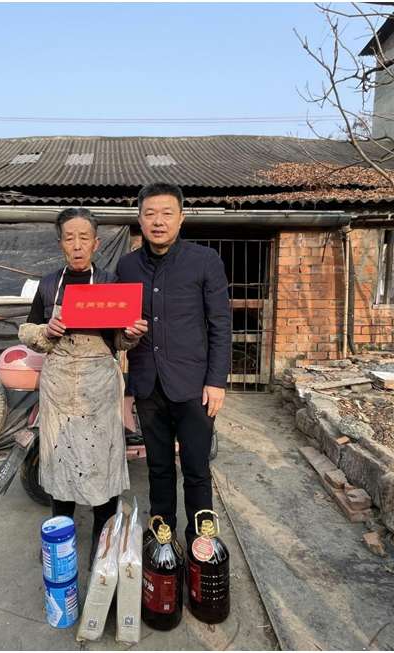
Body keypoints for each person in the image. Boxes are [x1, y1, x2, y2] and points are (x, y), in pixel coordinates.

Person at [19, 207, 148, 560]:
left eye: (84, 238)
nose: (77, 245)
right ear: (60, 242)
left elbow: (119, 340)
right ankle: (61, 540)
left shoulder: (111, 284)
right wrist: (46, 331)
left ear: (96, 243)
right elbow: (26, 330)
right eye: (69, 238)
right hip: (59, 385)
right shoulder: (49, 284)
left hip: (99, 385)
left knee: (101, 461)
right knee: (60, 458)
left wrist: (131, 333)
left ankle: (101, 544)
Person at [117, 182, 231, 546]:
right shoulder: (127, 266)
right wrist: (125, 334)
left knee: (196, 469)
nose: (158, 221)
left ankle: (200, 542)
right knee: (159, 467)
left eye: (167, 213)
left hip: (194, 385)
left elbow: (220, 324)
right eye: (150, 214)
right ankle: (162, 538)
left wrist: (217, 381)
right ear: (139, 219)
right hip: (148, 385)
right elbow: (120, 325)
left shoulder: (205, 260)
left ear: (181, 218)